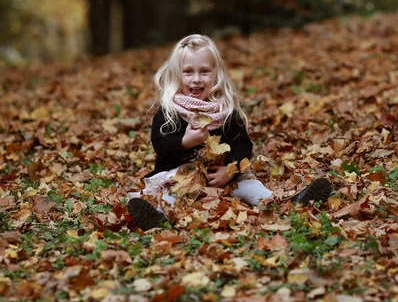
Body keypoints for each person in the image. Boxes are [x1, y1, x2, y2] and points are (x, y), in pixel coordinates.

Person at [127, 34, 331, 231]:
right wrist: (185, 142)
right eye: (188, 72)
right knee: (171, 196)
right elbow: (160, 146)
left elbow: (242, 145)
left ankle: (290, 203)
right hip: (181, 177)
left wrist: (230, 170)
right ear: (176, 74)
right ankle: (158, 217)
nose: (196, 79)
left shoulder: (225, 110)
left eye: (204, 72)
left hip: (223, 178)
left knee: (251, 188)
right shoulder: (169, 110)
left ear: (216, 74)